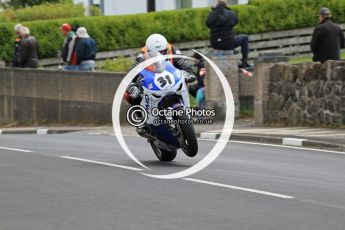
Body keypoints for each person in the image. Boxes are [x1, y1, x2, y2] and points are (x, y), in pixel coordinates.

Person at [126, 33, 195, 104]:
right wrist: (135, 85)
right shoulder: (141, 57)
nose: (158, 55)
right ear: (148, 50)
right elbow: (130, 76)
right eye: (154, 53)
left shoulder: (174, 53)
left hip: (174, 86)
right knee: (129, 95)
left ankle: (186, 109)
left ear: (166, 49)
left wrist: (187, 75)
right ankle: (137, 113)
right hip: (152, 86)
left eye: (162, 52)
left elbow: (189, 70)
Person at [206, 0, 251, 68]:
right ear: (226, 4)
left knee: (230, 38)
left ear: (217, 5)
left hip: (215, 44)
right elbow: (235, 21)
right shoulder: (231, 13)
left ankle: (235, 60)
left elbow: (207, 24)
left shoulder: (212, 14)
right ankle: (244, 62)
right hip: (229, 44)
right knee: (244, 37)